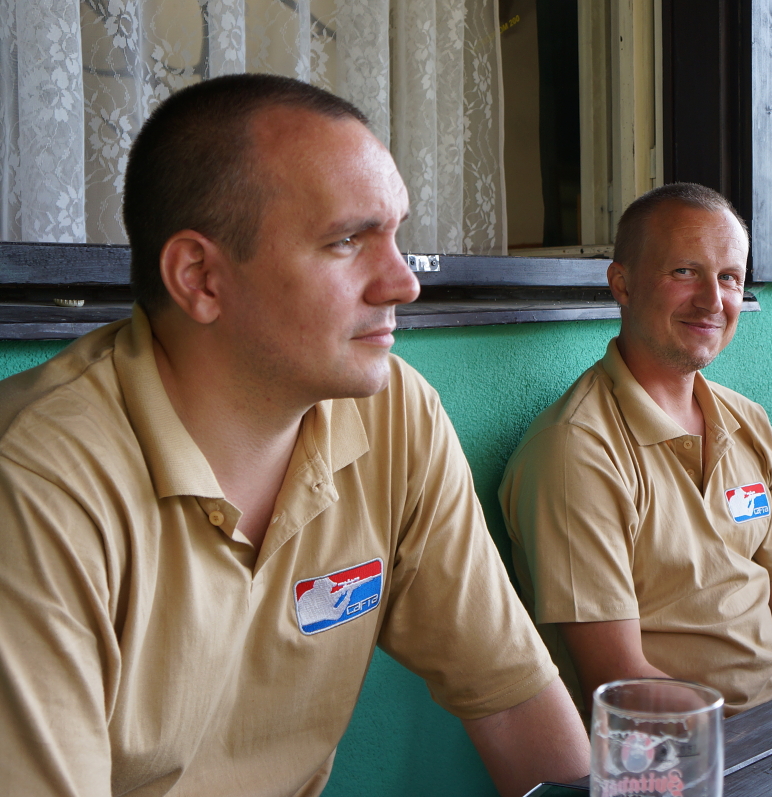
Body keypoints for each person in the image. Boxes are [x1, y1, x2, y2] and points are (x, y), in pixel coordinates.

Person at [0, 74, 588, 796]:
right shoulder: (37, 479)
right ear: (200, 277)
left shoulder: (394, 414)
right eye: (346, 241)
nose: (403, 283)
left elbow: (512, 697)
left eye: (397, 235)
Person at [499, 183, 772, 717]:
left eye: (729, 277)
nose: (713, 300)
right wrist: (756, 744)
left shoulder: (747, 422)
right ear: (622, 283)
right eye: (685, 271)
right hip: (676, 748)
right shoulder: (576, 451)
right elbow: (616, 676)